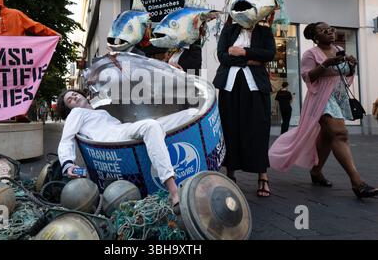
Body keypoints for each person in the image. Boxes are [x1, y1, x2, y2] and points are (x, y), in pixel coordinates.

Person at [269, 22, 377, 199]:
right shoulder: (310, 54)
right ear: (315, 37)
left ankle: (316, 172)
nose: (329, 31)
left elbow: (345, 74)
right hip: (321, 98)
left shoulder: (337, 49)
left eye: (331, 28)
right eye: (323, 30)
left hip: (337, 96)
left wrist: (352, 65)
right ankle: (358, 183)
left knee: (328, 136)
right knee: (340, 133)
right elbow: (307, 77)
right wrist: (326, 64)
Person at [56, 89, 198, 210]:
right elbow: (66, 139)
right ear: (69, 109)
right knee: (151, 126)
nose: (74, 97)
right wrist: (68, 163)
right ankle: (173, 190)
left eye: (75, 94)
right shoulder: (76, 113)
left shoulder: (99, 112)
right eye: (70, 100)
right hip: (113, 139)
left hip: (123, 130)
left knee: (190, 113)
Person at [213, 22, 276, 197]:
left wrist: (243, 52)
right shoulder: (229, 30)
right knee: (229, 127)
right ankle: (230, 173)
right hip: (229, 85)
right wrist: (251, 61)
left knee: (258, 128)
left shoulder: (264, 31)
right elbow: (222, 56)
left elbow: (270, 54)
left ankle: (262, 175)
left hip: (256, 86)